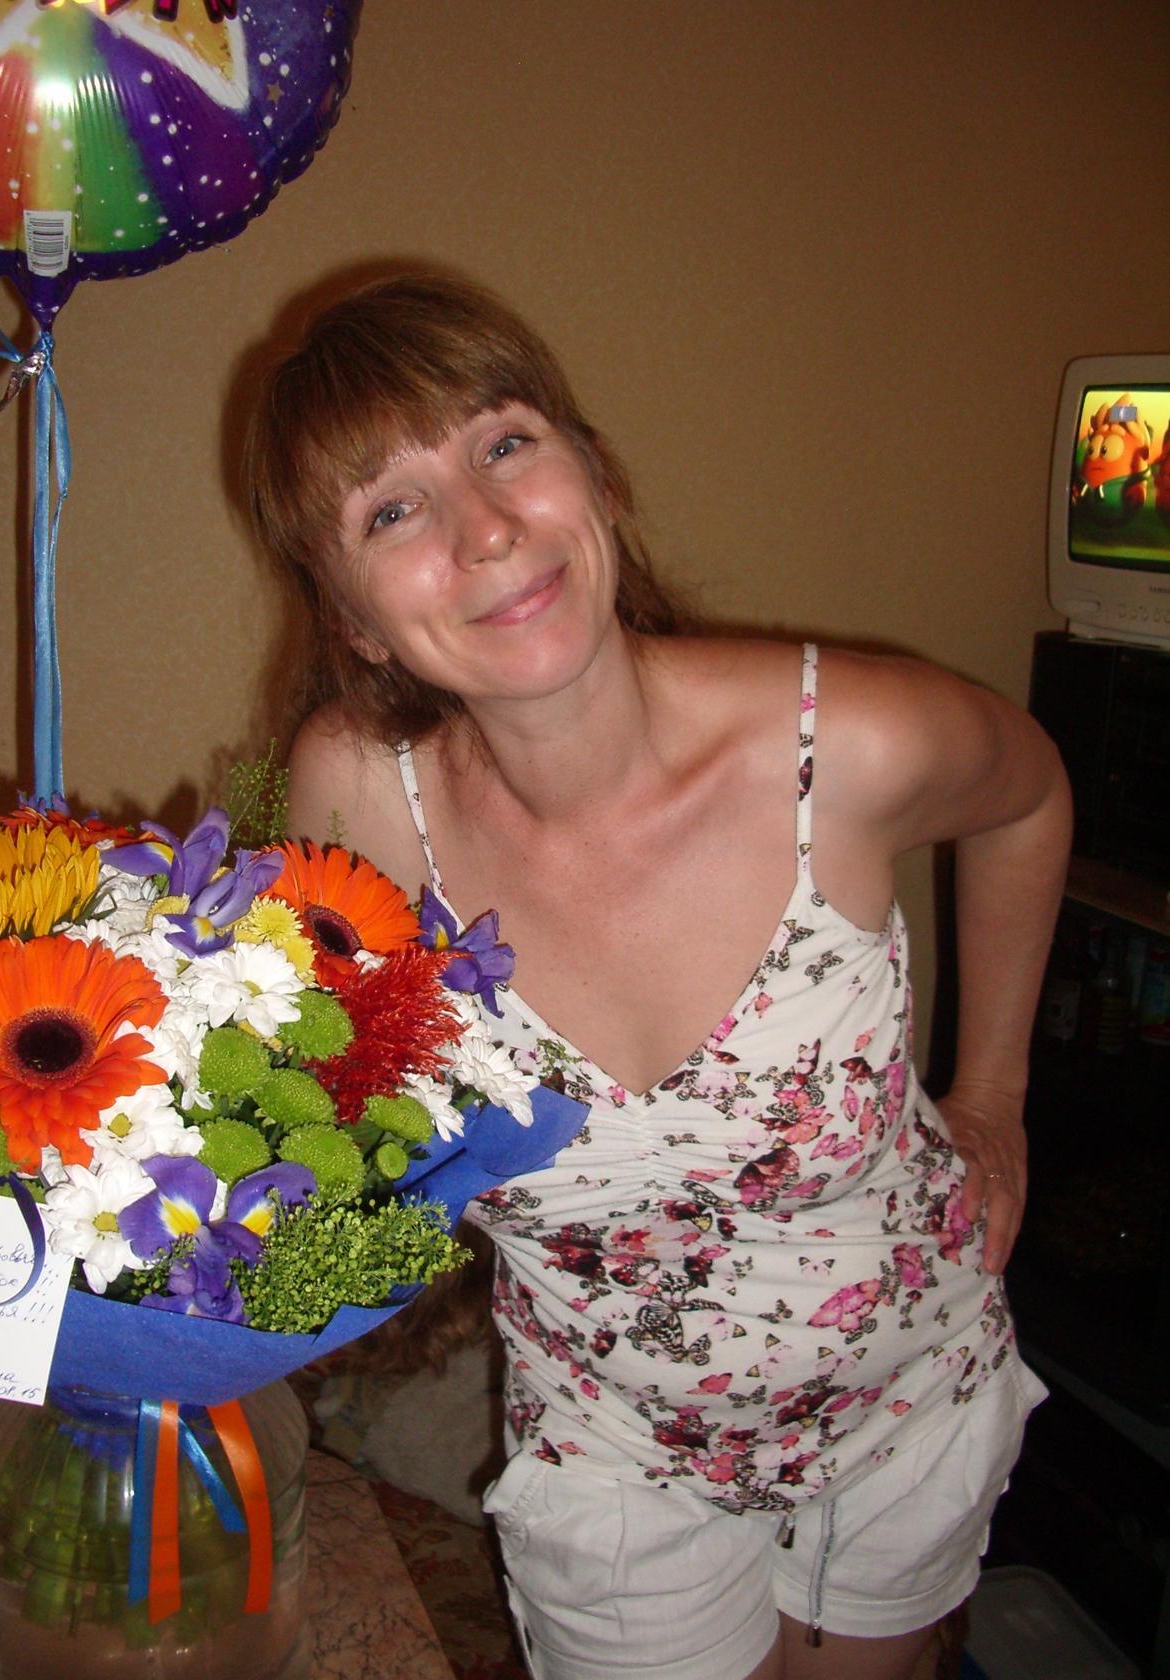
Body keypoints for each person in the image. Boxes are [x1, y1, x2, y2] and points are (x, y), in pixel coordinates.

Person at [245, 273, 1072, 1680]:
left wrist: (993, 1091)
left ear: (598, 475)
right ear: (356, 624)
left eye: (505, 443)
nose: (486, 528)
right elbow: (316, 1099)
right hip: (617, 1458)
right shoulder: (354, 799)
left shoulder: (846, 746)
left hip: (911, 1397)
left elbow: (1031, 795)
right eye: (392, 511)